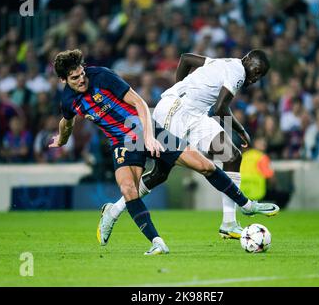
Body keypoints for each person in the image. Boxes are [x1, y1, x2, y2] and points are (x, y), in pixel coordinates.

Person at [49, 49, 279, 255]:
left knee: (205, 166)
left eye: (81, 74)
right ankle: (155, 240)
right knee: (131, 186)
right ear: (63, 80)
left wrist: (149, 135)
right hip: (125, 141)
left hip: (148, 128)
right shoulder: (68, 100)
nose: (81, 79)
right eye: (74, 77)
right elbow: (66, 123)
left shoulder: (101, 75)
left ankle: (244, 208)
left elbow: (139, 102)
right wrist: (61, 139)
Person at [108, 50, 271, 240]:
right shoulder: (238, 71)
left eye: (261, 75)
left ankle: (229, 224)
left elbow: (186, 59)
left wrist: (181, 85)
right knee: (161, 173)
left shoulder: (224, 63)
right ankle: (114, 210)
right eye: (257, 70)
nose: (256, 77)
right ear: (247, 60)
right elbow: (220, 109)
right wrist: (240, 129)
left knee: (232, 156)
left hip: (196, 113)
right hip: (176, 111)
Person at [240, 136, 291, 210]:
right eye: (262, 143)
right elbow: (270, 176)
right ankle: (276, 212)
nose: (264, 145)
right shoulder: (261, 157)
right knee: (284, 196)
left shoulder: (244, 156)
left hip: (243, 192)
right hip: (258, 192)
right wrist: (274, 185)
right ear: (255, 144)